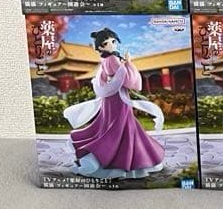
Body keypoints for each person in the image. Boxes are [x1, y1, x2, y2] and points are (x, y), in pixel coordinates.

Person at [64, 27, 164, 180]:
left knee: (116, 126)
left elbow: (109, 77)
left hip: (110, 98)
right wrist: (129, 63)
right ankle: (111, 158)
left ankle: (119, 158)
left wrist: (123, 66)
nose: (112, 45)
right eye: (107, 43)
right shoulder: (112, 59)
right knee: (120, 127)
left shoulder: (105, 60)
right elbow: (128, 80)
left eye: (113, 41)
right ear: (100, 47)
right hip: (118, 98)